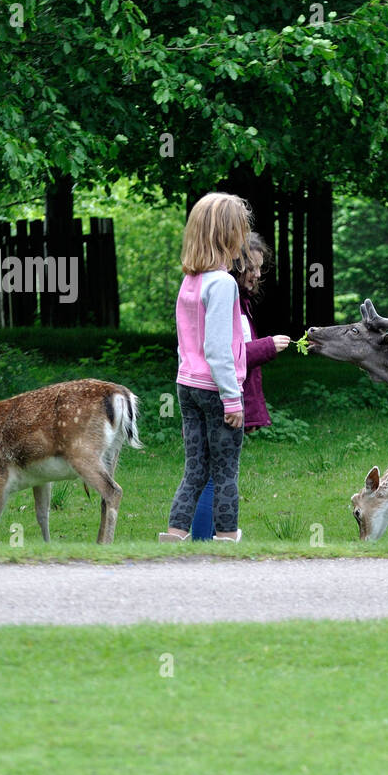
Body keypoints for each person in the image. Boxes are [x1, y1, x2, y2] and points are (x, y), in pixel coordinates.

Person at [159, 192, 252, 543]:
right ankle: (227, 538)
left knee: (195, 469)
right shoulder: (222, 283)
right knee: (226, 471)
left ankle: (174, 535)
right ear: (227, 234)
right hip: (216, 390)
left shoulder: (191, 281)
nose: (242, 238)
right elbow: (217, 350)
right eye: (240, 230)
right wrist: (232, 399)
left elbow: (187, 342)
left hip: (187, 385)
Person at [190, 233, 290, 539]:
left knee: (209, 474)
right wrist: (269, 346)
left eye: (260, 268)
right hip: (219, 398)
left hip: (218, 396)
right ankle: (205, 541)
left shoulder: (237, 301)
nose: (257, 275)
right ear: (236, 265)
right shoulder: (226, 299)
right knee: (214, 477)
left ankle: (202, 541)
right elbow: (228, 355)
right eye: (252, 268)